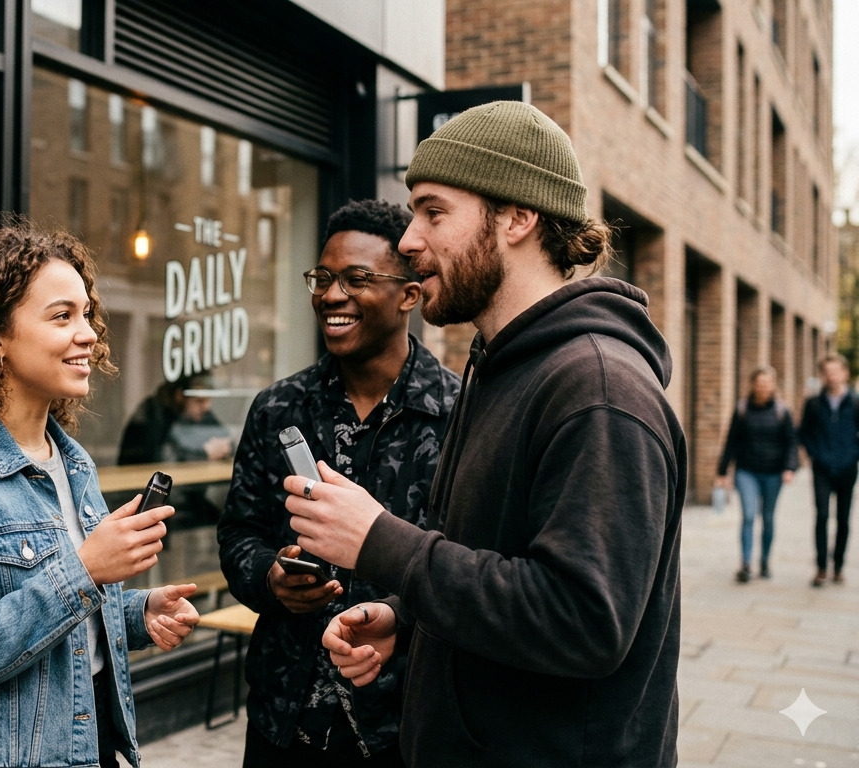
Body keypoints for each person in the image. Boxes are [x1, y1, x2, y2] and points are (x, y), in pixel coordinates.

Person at [285, 102, 685, 767]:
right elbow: (490, 560)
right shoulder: (496, 366)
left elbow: (584, 622)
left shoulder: (598, 391)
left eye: (434, 212)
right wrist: (407, 624)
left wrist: (381, 544)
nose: (409, 240)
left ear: (518, 217)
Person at [0, 222, 201, 768]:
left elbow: (63, 632)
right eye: (61, 316)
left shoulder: (73, 464)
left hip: (90, 747)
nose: (89, 334)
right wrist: (85, 570)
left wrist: (137, 615)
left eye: (86, 314)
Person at [217, 199, 458, 767]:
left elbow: (467, 560)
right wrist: (272, 577)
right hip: (285, 719)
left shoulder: (460, 413)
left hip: (403, 726)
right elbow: (238, 536)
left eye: (357, 279)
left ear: (409, 294)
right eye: (323, 278)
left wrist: (399, 610)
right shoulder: (278, 408)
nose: (331, 295)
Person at [716, 366, 798, 582]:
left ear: (773, 386)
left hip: (773, 473)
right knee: (749, 516)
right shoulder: (742, 409)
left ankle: (764, 560)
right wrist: (722, 471)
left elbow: (791, 443)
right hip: (746, 471)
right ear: (753, 385)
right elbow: (731, 441)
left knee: (768, 518)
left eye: (767, 383)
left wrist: (790, 468)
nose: (763, 387)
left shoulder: (782, 411)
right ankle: (745, 563)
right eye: (759, 383)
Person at [798, 356, 855, 586]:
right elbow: (803, 432)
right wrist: (814, 454)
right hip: (821, 467)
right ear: (823, 375)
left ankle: (838, 566)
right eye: (827, 372)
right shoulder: (813, 403)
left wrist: (853, 455)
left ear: (845, 373)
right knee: (822, 515)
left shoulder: (855, 402)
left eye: (835, 371)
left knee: (843, 519)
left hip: (848, 468)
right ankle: (821, 566)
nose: (831, 376)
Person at [117, 373, 233, 465]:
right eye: (199, 400)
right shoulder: (153, 413)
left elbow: (229, 440)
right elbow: (160, 460)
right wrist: (204, 454)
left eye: (208, 400)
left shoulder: (200, 412)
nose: (206, 407)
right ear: (179, 396)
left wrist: (225, 447)